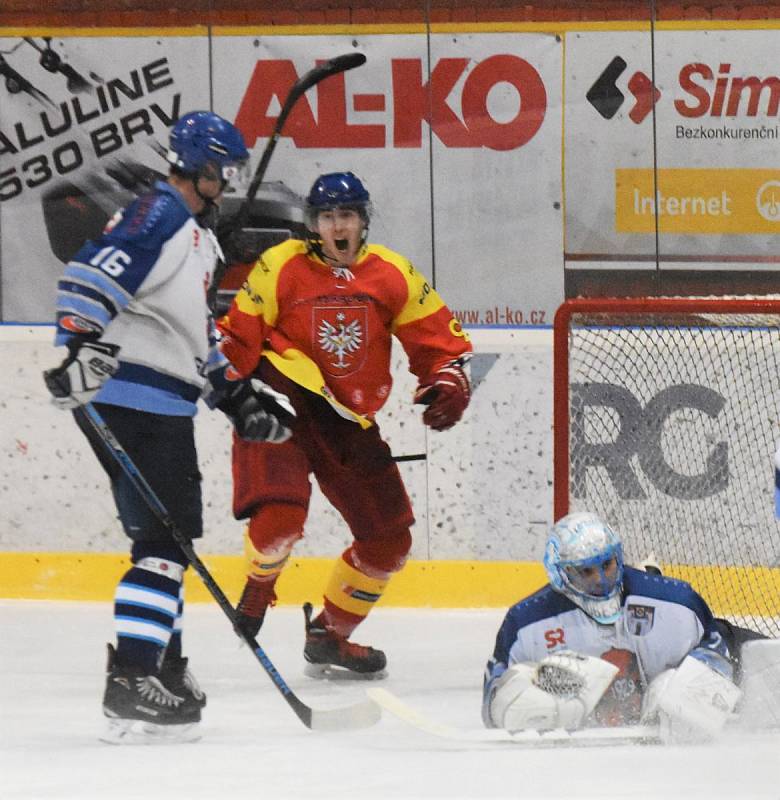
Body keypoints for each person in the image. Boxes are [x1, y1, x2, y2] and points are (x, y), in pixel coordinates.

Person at [43, 111, 294, 743]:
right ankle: (131, 679)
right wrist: (76, 344)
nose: (229, 182)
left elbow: (191, 336)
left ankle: (164, 669)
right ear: (201, 170)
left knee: (168, 543)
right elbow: (88, 273)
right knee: (164, 540)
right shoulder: (160, 213)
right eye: (223, 172)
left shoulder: (193, 237)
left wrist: (236, 399)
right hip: (136, 401)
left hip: (156, 402)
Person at [217, 171, 472, 677]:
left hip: (346, 421)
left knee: (388, 542)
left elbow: (439, 344)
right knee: (281, 518)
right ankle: (260, 585)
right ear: (314, 223)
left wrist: (448, 381)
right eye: (329, 216)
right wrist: (226, 381)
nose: (338, 226)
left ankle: (330, 635)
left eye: (347, 215)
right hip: (280, 400)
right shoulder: (279, 266)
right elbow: (235, 339)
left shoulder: (391, 273)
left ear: (362, 221)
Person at [482, 512, 746, 741]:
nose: (601, 580)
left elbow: (717, 649)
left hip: (666, 762)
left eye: (606, 565)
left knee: (681, 688)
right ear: (560, 576)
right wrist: (522, 697)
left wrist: (692, 687)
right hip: (574, 773)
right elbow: (494, 697)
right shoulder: (525, 624)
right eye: (586, 572)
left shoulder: (677, 603)